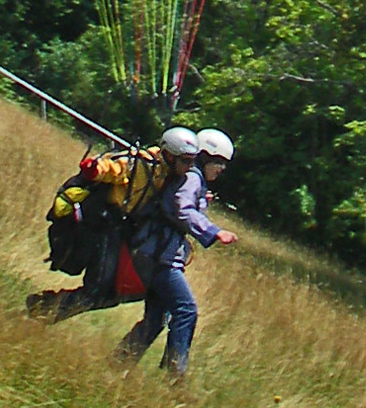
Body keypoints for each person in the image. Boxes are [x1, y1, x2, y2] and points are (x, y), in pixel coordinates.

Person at [26, 126, 201, 322]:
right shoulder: (141, 164)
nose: (190, 166)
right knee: (98, 290)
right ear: (169, 155)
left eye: (193, 161)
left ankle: (43, 307)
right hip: (106, 227)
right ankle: (42, 311)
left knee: (112, 294)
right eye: (186, 161)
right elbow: (114, 168)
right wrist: (95, 169)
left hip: (126, 233)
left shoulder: (173, 177)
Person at [114, 128, 238, 376]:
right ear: (204, 157)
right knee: (186, 310)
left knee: (156, 320)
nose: (221, 169)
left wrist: (203, 200)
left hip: (153, 252)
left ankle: (118, 363)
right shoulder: (193, 177)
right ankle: (174, 376)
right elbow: (183, 209)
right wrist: (214, 232)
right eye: (219, 162)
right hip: (160, 257)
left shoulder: (191, 179)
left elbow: (181, 204)